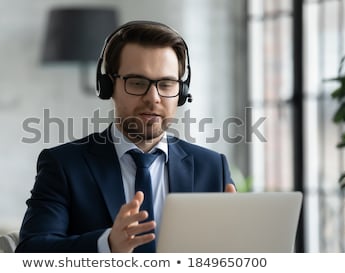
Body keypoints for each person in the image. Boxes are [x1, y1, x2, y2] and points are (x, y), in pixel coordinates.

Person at [16, 20, 236, 253]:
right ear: (108, 86)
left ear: (181, 92)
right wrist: (107, 245)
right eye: (137, 83)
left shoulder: (212, 167)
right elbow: (31, 252)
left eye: (167, 84)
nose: (153, 98)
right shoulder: (64, 166)